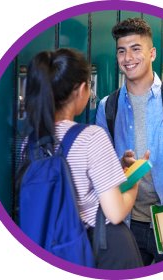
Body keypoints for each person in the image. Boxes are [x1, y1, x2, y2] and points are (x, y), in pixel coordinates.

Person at [16, 48, 144, 269]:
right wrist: (134, 183)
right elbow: (115, 212)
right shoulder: (91, 136)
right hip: (102, 250)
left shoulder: (30, 144)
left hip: (58, 248)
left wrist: (116, 167)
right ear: (81, 89)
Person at [96, 18, 163, 265]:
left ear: (152, 53)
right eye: (121, 51)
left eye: (136, 49)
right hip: (128, 224)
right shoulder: (107, 107)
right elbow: (103, 172)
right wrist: (120, 164)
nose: (128, 57)